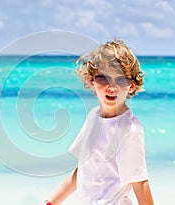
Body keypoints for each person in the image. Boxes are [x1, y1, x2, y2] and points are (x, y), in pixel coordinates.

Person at [43, 39, 154, 205]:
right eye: (103, 78)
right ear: (91, 80)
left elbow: (140, 183)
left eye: (121, 79)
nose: (112, 86)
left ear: (131, 85)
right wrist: (51, 202)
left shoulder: (130, 130)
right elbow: (83, 170)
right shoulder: (94, 117)